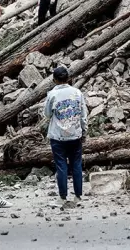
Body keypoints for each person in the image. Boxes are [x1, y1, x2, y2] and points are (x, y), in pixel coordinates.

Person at [43, 67, 88, 207]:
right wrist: (84, 131)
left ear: (55, 80)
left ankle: (63, 197)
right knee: (76, 165)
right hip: (75, 135)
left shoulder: (52, 95)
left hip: (58, 136)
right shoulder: (77, 92)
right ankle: (78, 196)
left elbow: (47, 114)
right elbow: (83, 114)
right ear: (68, 78)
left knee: (61, 166)